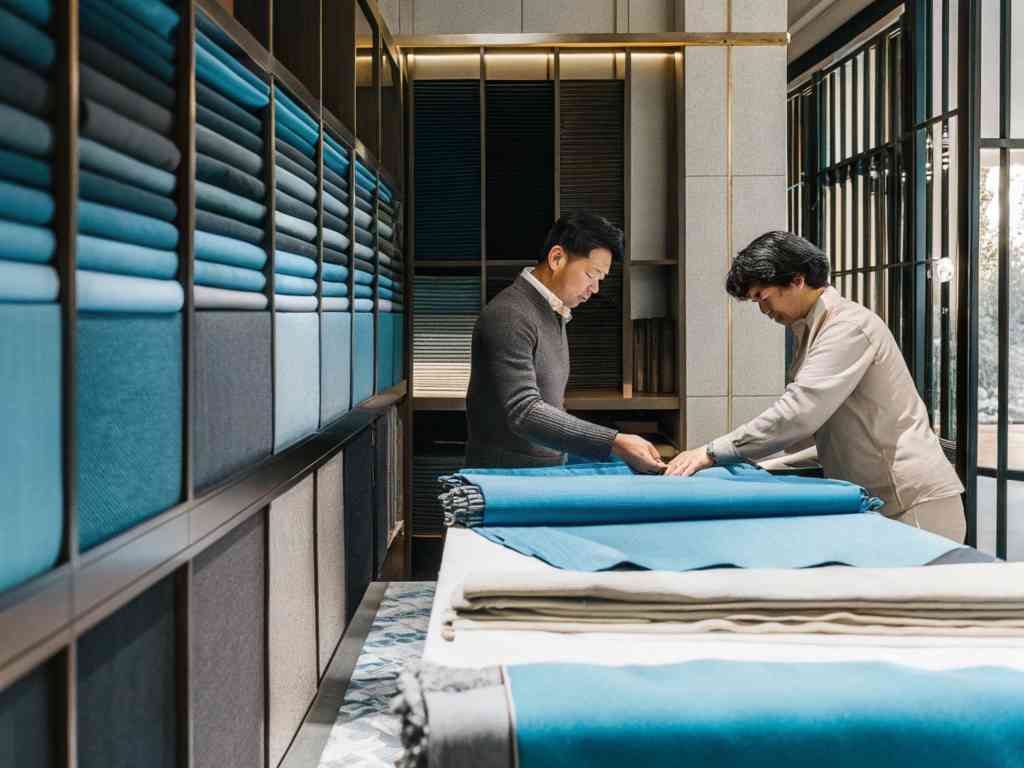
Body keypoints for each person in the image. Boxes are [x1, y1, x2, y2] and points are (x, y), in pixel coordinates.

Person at [666, 231, 966, 542]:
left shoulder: (847, 327)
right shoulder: (812, 330)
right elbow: (829, 435)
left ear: (796, 280)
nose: (763, 310)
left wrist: (714, 452)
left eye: (762, 297)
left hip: (913, 503)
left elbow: (799, 414)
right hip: (882, 496)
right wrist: (757, 467)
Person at [465, 212, 665, 473]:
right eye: (590, 275)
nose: (594, 289)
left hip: (539, 471)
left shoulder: (552, 311)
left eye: (600, 280)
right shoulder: (509, 315)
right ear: (557, 258)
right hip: (505, 481)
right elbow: (524, 412)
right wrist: (615, 442)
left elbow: (550, 405)